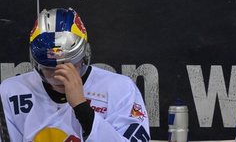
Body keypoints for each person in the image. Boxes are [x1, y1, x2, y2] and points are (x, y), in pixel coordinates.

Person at [0, 8, 150, 140]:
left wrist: (81, 106)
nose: (58, 75)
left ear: (84, 55)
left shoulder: (120, 88)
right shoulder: (10, 91)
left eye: (68, 65)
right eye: (49, 68)